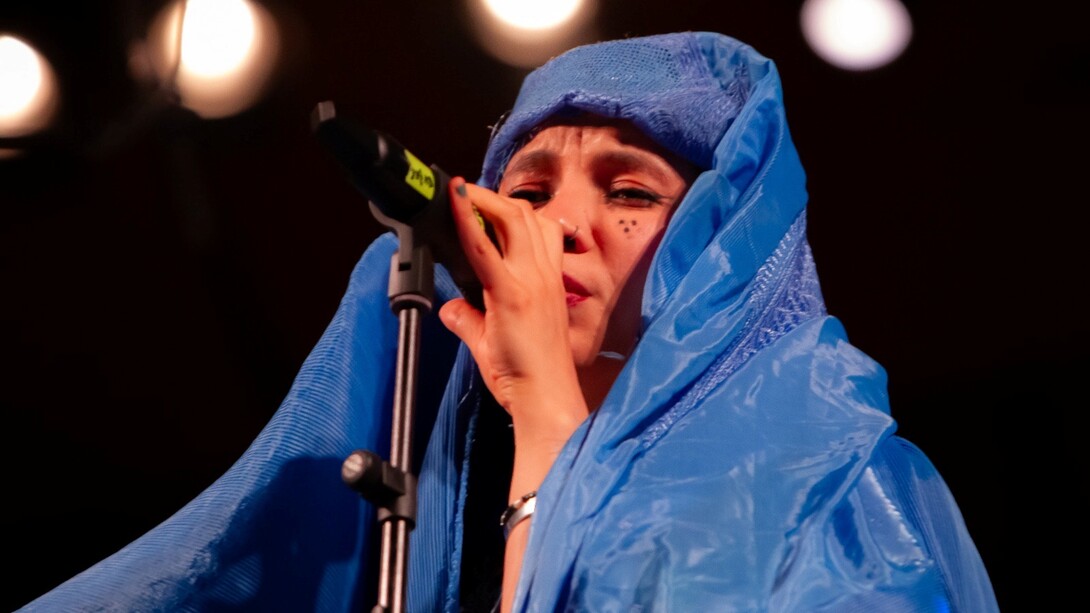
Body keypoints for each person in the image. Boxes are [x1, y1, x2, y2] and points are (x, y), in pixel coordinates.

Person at [17, 31, 998, 612]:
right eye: (525, 190)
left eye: (627, 190)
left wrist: (545, 413)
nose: (560, 224)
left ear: (718, 241)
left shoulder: (844, 476)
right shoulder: (448, 524)